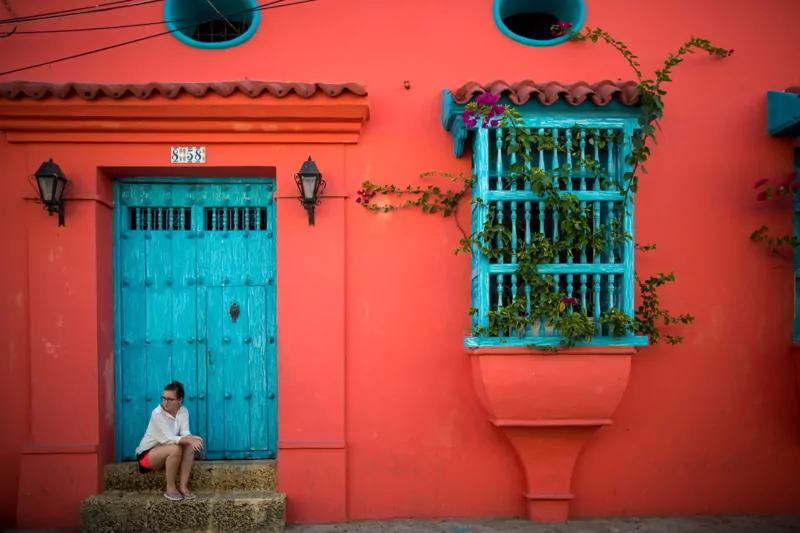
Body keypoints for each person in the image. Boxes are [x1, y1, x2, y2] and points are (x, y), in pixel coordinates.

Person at [135, 381, 204, 500]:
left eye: (170, 399)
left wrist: (196, 440)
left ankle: (183, 487)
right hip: (146, 457)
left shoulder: (183, 411)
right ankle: (170, 488)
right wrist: (190, 439)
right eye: (164, 398)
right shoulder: (157, 414)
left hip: (165, 452)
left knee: (190, 444)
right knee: (175, 449)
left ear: (180, 400)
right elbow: (169, 438)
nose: (165, 402)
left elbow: (185, 433)